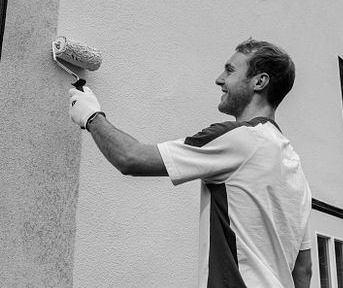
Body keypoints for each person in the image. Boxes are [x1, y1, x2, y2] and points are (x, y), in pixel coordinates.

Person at [68, 38, 312, 288]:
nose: (219, 79)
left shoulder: (241, 138)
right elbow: (303, 270)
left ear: (259, 81)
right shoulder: (295, 168)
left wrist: (91, 116)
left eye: (229, 70)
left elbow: (131, 159)